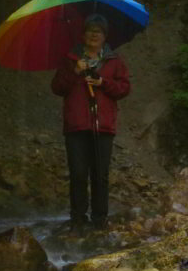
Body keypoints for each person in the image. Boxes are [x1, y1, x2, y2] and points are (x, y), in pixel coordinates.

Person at [51, 14, 130, 234]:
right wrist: (74, 72)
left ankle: (99, 218)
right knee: (77, 172)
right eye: (90, 30)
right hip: (76, 125)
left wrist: (103, 83)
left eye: (99, 31)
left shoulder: (115, 61)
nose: (94, 34)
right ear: (83, 34)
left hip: (102, 125)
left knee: (100, 173)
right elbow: (57, 87)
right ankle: (77, 217)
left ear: (105, 37)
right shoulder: (70, 60)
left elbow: (124, 89)